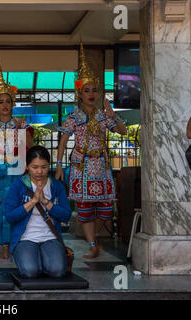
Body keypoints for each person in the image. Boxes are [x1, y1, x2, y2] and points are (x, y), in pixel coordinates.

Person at [55, 43, 127, 259]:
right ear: (80, 93)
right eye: (87, 90)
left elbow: (122, 132)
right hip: (82, 166)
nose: (91, 94)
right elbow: (63, 141)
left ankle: (93, 237)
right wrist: (58, 165)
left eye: (94, 90)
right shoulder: (73, 117)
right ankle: (93, 243)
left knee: (105, 210)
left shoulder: (104, 116)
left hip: (101, 167)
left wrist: (113, 116)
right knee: (85, 210)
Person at [0, 53, 34, 259]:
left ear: (13, 104)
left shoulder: (21, 123)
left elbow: (30, 147)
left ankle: (13, 243)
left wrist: (22, 130)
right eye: (1, 102)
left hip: (17, 170)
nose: (4, 105)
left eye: (8, 101)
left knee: (16, 204)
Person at [4, 146, 71, 278]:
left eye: (44, 167)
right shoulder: (19, 185)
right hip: (25, 238)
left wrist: (46, 202)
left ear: (49, 165)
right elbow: (9, 216)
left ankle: (44, 259)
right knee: (30, 271)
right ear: (27, 166)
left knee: (57, 271)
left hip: (50, 237)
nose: (39, 171)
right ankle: (36, 259)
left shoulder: (56, 186)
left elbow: (66, 216)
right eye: (35, 167)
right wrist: (33, 201)